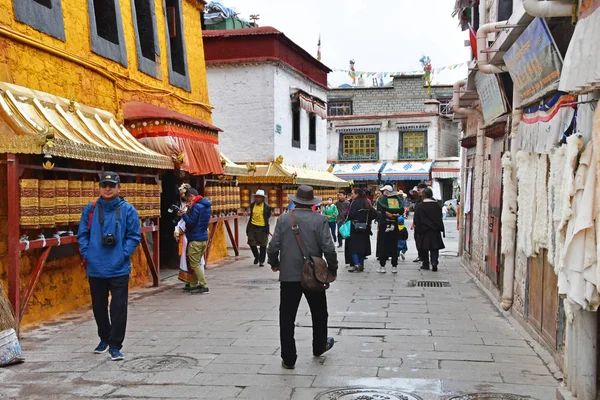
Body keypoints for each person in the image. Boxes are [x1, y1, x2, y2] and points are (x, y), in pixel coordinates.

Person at [267, 185, 338, 369]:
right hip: (313, 275)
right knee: (320, 312)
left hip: (289, 276)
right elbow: (329, 248)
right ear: (311, 202)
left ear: (295, 201)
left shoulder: (283, 220)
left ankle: (289, 358)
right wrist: (332, 269)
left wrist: (274, 262)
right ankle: (319, 345)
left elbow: (273, 245)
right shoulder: (320, 220)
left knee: (287, 316)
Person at [77, 172, 141, 361]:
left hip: (119, 266)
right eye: (104, 185)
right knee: (99, 305)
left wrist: (123, 253)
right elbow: (82, 234)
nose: (107, 188)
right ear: (99, 187)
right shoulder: (90, 209)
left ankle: (115, 345)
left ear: (119, 188)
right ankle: (104, 338)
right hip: (95, 265)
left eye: (112, 185)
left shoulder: (128, 210)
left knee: (118, 307)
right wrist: (87, 253)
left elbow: (134, 236)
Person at [178, 187, 212, 294]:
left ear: (191, 196)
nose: (188, 201)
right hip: (203, 237)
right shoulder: (206, 206)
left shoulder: (197, 207)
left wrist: (184, 215)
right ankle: (193, 284)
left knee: (195, 264)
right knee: (196, 262)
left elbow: (192, 222)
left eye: (188, 198)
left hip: (196, 238)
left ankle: (204, 285)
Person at [414, 188, 445, 272]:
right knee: (434, 248)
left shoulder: (420, 206)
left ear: (423, 196)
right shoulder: (437, 205)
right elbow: (439, 218)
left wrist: (419, 229)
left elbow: (417, 219)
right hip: (435, 230)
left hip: (424, 231)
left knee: (424, 248)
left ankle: (426, 264)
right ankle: (434, 262)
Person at [376, 185, 403, 273]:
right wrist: (396, 214)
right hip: (394, 223)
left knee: (383, 244)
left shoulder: (382, 199)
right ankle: (394, 266)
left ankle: (382, 266)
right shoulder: (397, 199)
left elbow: (379, 210)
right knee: (394, 245)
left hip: (384, 223)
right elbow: (401, 209)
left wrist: (386, 213)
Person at [346, 188, 373, 273]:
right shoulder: (366, 201)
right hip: (365, 228)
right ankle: (361, 265)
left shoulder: (354, 202)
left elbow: (351, 215)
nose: (352, 195)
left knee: (353, 246)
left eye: (352, 193)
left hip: (355, 227)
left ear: (357, 194)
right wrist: (367, 220)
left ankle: (356, 264)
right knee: (362, 247)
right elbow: (374, 213)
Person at [247, 189, 271, 267]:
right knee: (251, 242)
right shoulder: (252, 205)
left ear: (263, 198)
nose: (257, 199)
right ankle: (256, 256)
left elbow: (268, 215)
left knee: (263, 244)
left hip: (262, 227)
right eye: (256, 197)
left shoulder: (267, 207)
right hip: (252, 226)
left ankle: (261, 261)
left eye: (259, 197)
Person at [410, 183, 428, 263]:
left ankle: (424, 257)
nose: (418, 191)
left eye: (419, 190)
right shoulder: (419, 199)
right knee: (418, 240)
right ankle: (421, 255)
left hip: (423, 224)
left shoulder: (425, 200)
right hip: (418, 223)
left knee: (422, 240)